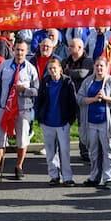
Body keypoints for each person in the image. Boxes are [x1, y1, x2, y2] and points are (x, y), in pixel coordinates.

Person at [0, 39, 38, 183]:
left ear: (26, 52)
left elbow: (37, 90)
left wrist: (25, 90)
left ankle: (18, 166)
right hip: (4, 108)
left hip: (22, 109)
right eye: (17, 50)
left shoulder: (31, 69)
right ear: (13, 50)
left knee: (22, 139)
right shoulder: (4, 66)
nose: (19, 53)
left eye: (22, 50)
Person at [78, 56, 111, 189]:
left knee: (108, 150)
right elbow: (80, 99)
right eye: (97, 65)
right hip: (91, 122)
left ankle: (109, 177)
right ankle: (94, 176)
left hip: (106, 123)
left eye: (101, 66)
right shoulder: (88, 82)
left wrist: (105, 98)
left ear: (106, 67)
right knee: (93, 152)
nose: (99, 68)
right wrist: (93, 99)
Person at [35, 58, 77, 186]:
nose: (52, 71)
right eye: (50, 69)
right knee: (50, 150)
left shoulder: (67, 82)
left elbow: (73, 102)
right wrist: (39, 117)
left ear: (60, 69)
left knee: (64, 150)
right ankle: (54, 175)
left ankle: (67, 177)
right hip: (47, 122)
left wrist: (70, 120)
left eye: (55, 68)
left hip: (62, 122)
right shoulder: (45, 82)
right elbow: (39, 100)